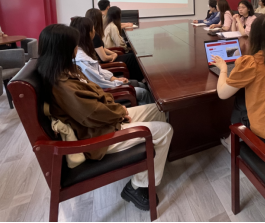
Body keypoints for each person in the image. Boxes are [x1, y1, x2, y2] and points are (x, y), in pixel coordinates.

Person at [37, 24, 173, 211]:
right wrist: (119, 114)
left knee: (159, 110)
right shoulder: (61, 85)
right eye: (74, 44)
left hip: (107, 120)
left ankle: (157, 159)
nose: (77, 48)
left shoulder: (66, 70)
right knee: (165, 130)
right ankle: (137, 186)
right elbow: (91, 114)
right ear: (64, 49)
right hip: (99, 135)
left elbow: (98, 93)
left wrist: (118, 110)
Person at [212, 15, 265, 154]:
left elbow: (222, 94)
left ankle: (232, 141)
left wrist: (223, 68)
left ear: (253, 36)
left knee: (239, 101)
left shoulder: (251, 63)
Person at [70, 17, 153, 105]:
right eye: (93, 28)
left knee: (141, 84)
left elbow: (99, 71)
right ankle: (152, 110)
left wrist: (114, 78)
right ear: (88, 33)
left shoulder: (83, 50)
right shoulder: (82, 60)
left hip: (107, 84)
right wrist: (118, 82)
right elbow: (100, 83)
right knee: (143, 92)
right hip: (105, 92)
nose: (94, 30)